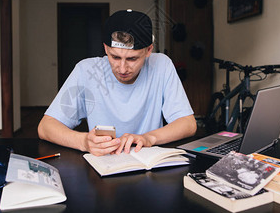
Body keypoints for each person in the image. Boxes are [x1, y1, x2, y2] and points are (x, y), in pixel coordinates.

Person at [38, 9, 197, 156]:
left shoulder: (162, 65)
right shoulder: (86, 70)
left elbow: (188, 124)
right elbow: (46, 127)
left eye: (132, 59)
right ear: (106, 48)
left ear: (149, 50)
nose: (122, 68)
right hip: (103, 167)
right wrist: (84, 142)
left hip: (147, 165)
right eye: (115, 57)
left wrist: (149, 138)